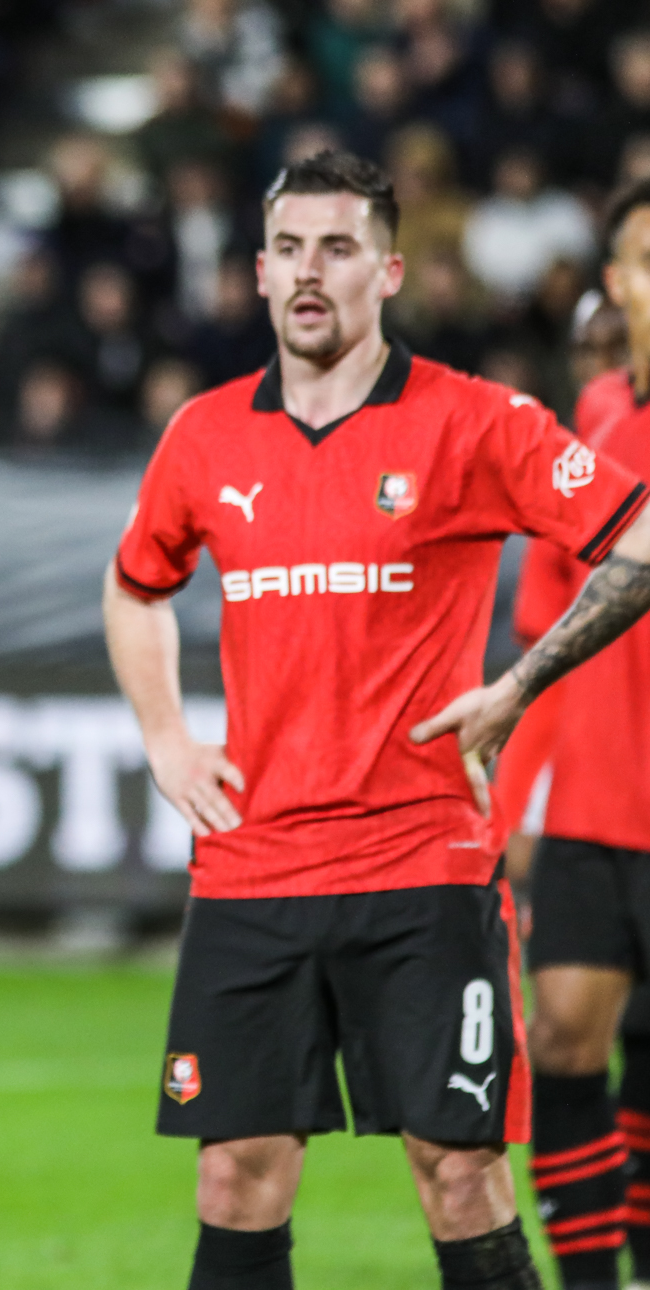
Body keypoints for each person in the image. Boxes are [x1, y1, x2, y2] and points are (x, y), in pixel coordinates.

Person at [104, 149, 650, 1290]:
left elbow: (638, 535)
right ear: (257, 273)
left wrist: (518, 684)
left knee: (458, 1175)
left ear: (389, 271)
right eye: (290, 250)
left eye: (339, 249)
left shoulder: (473, 421)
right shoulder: (204, 436)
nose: (312, 273)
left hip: (424, 865)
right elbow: (135, 582)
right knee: (236, 1175)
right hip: (253, 870)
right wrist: (164, 735)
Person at [511, 179, 650, 1290]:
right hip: (598, 800)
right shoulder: (594, 423)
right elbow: (545, 632)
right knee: (562, 1038)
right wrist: (512, 803)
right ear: (617, 279)